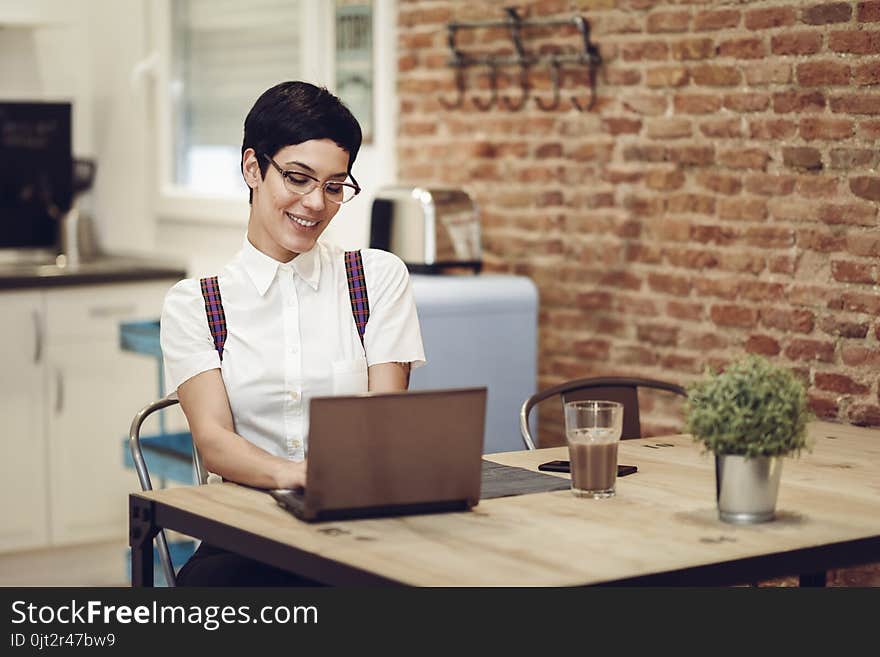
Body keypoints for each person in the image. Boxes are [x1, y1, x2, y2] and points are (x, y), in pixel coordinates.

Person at [159, 81, 426, 585]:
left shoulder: (376, 278)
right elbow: (214, 442)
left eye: (333, 185)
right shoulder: (196, 303)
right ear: (252, 169)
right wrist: (296, 476)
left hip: (359, 524)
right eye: (299, 178)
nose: (315, 203)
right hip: (245, 532)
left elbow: (385, 418)